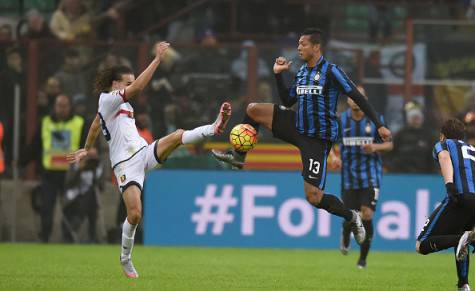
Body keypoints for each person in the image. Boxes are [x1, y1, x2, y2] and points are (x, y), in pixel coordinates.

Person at [212, 28, 392, 247]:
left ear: (316, 47)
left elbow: (356, 96)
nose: (298, 47)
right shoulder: (302, 72)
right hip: (297, 125)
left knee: (314, 197)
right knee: (253, 109)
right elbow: (288, 101)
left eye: (303, 44)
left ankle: (351, 217)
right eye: (298, 44)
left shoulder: (332, 71)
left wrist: (379, 124)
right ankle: (239, 157)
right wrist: (279, 75)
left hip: (317, 139)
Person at [67, 42, 232, 279]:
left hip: (144, 153)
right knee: (135, 215)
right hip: (125, 165)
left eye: (132, 81)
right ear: (115, 84)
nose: (132, 85)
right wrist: (156, 60)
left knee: (177, 136)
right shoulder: (107, 98)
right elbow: (133, 92)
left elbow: (95, 123)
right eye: (127, 82)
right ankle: (125, 258)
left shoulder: (117, 105)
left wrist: (86, 147)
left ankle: (214, 127)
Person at [331, 85, 393, 269]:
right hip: (349, 176)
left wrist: (375, 147)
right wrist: (334, 158)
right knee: (351, 216)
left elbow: (389, 144)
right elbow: (328, 143)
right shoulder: (341, 120)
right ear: (348, 100)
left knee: (367, 215)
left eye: (360, 96)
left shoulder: (376, 120)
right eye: (352, 96)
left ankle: (363, 260)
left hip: (371, 176)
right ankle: (345, 233)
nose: (356, 99)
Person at [415, 118, 475, 291]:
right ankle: (463, 284)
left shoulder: (444, 144)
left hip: (460, 197)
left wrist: (449, 185)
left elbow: (444, 157)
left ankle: (464, 239)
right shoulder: (473, 149)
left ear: (442, 135)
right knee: (462, 233)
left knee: (422, 245)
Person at [21, 94, 86, 242]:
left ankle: (68, 238)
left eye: (65, 106)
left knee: (71, 208)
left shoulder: (79, 123)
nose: (62, 109)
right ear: (54, 107)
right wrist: (21, 162)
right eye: (59, 106)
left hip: (70, 175)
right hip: (49, 174)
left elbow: (85, 146)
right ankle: (44, 237)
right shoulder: (45, 122)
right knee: (46, 208)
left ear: (70, 107)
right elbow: (35, 145)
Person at [389, 102, 435, 173]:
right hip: (400, 174)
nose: (416, 120)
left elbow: (433, 157)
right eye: (413, 118)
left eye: (417, 117)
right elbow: (391, 153)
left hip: (423, 175)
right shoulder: (400, 134)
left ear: (422, 118)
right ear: (408, 119)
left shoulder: (429, 136)